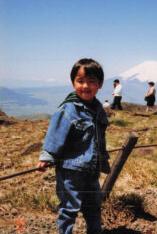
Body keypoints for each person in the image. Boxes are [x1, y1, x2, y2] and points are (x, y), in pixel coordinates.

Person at [37, 58, 110, 234]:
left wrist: (103, 159)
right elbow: (55, 134)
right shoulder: (68, 109)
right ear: (73, 82)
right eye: (80, 81)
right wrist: (47, 157)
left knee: (93, 207)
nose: (85, 86)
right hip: (70, 171)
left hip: (92, 170)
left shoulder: (98, 109)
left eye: (91, 82)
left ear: (99, 84)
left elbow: (100, 138)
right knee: (69, 209)